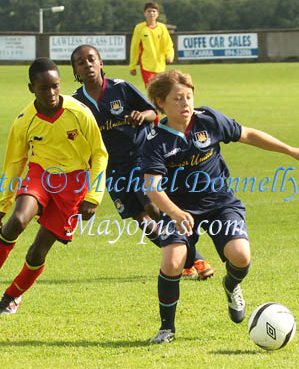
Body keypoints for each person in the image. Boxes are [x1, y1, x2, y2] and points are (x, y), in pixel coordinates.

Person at [142, 70, 299, 343]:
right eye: (178, 99)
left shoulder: (209, 120)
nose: (186, 104)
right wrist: (176, 213)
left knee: (240, 256)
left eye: (189, 96)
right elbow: (152, 187)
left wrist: (290, 150)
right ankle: (167, 328)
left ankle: (231, 286)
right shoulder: (155, 140)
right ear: (160, 102)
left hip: (219, 204)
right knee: (172, 260)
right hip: (178, 209)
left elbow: (247, 134)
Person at [0, 57, 108, 315]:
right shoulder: (24, 121)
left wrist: (93, 197)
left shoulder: (79, 113)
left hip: (74, 184)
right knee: (16, 221)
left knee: (37, 251)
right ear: (31, 88)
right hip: (40, 175)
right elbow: (15, 162)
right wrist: (3, 204)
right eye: (44, 88)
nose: (51, 93)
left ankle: (12, 296)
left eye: (55, 86)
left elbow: (100, 154)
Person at [70, 45, 214, 280]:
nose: (87, 65)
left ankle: (195, 257)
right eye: (81, 62)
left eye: (91, 59)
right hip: (111, 167)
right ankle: (186, 260)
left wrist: (140, 116)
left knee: (153, 208)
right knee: (140, 218)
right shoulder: (76, 102)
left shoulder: (120, 88)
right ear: (75, 69)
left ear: (101, 63)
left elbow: (152, 113)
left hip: (139, 157)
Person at [129, 1, 175, 89]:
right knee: (151, 89)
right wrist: (133, 66)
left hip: (160, 65)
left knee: (161, 89)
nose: (151, 13)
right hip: (146, 66)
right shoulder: (140, 28)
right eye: (149, 11)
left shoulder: (162, 28)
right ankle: (151, 103)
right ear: (145, 13)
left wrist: (169, 55)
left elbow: (168, 44)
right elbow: (134, 48)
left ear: (157, 14)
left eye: (154, 11)